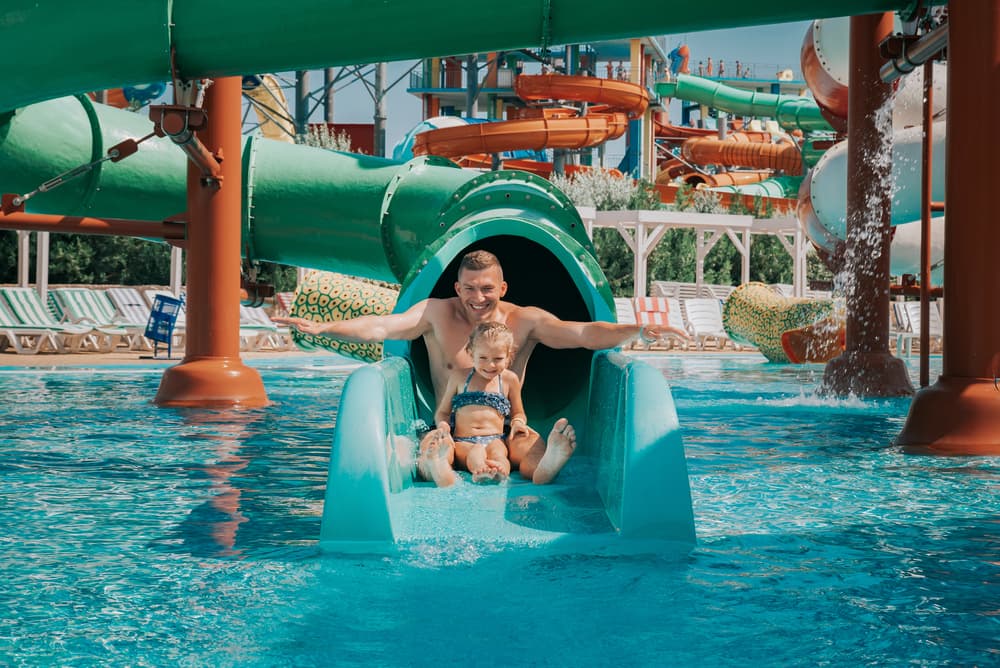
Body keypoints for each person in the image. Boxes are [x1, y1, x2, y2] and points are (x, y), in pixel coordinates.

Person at [274, 250, 687, 485]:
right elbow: (382, 325)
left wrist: (639, 330)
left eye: (487, 288)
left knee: (527, 444)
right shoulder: (435, 313)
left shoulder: (523, 320)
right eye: (469, 288)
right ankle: (436, 463)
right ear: (457, 287)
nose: (477, 297)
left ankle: (546, 464)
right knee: (433, 449)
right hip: (449, 430)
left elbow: (581, 333)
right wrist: (324, 327)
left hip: (505, 430)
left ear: (502, 288)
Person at [428, 322, 525, 485]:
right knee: (475, 451)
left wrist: (518, 422)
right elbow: (443, 411)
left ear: (509, 356)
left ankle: (500, 471)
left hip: (495, 438)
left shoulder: (509, 380)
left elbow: (518, 412)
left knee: (500, 454)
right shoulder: (459, 377)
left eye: (498, 359)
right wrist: (443, 426)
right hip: (464, 440)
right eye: (483, 358)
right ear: (470, 353)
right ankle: (480, 470)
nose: (490, 365)